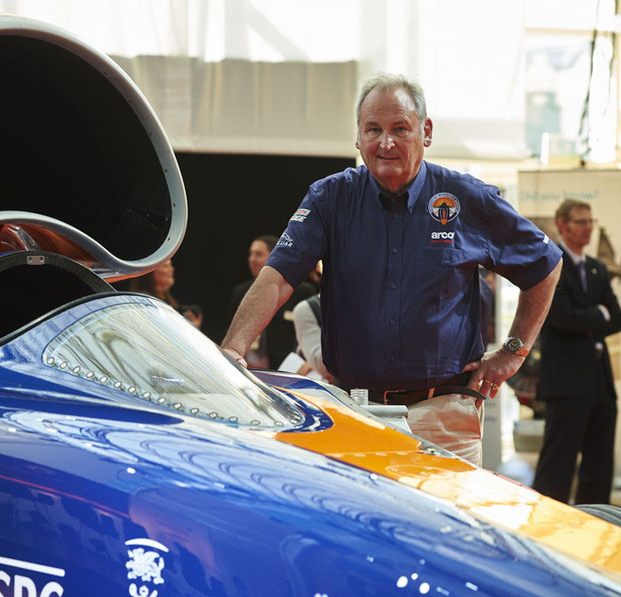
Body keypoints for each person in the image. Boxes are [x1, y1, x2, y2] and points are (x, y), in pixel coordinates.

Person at [221, 73, 562, 465]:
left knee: (443, 510)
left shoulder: (466, 198)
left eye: (400, 128)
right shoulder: (330, 198)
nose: (386, 143)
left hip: (443, 416)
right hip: (353, 412)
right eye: (373, 130)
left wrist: (514, 351)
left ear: (425, 131)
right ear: (358, 137)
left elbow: (545, 264)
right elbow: (278, 278)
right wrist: (233, 348)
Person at [532, 199, 621, 504]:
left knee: (600, 463)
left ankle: (593, 522)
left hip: (600, 381)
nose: (588, 228)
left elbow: (616, 317)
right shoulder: (550, 264)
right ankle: (545, 524)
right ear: (562, 225)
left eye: (590, 222)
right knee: (558, 463)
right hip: (566, 381)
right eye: (581, 222)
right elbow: (563, 318)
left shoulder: (597, 268)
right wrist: (598, 315)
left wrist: (589, 319)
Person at [227, 235, 314, 369]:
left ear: (274, 256)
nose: (252, 259)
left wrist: (307, 363)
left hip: (289, 369)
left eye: (258, 254)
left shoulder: (301, 291)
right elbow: (229, 331)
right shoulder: (240, 292)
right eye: (250, 254)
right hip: (245, 367)